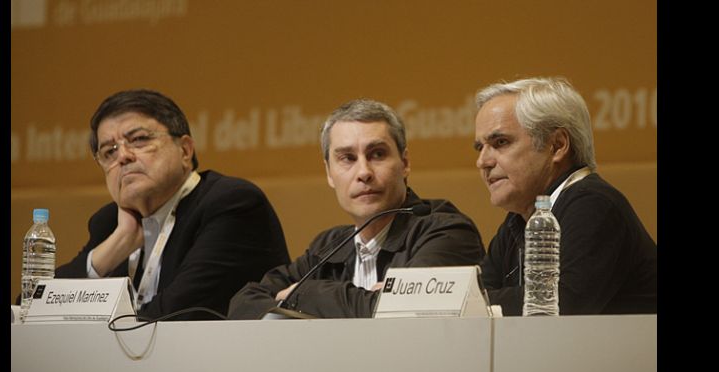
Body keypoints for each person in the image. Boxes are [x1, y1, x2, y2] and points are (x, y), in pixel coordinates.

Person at [228, 98, 484, 319]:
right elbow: (244, 303)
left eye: (377, 154)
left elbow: (403, 314)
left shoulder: (446, 231)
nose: (364, 172)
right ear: (329, 173)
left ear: (405, 163)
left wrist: (303, 294)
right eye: (347, 158)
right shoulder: (329, 246)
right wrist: (363, 301)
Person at [56, 89, 290, 320]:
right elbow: (40, 307)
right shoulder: (111, 223)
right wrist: (117, 245)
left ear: (185, 150)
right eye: (109, 152)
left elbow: (177, 313)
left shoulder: (230, 204)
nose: (123, 157)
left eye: (139, 140)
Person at [472, 77, 657, 315]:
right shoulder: (518, 219)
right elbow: (476, 297)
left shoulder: (593, 205)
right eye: (480, 147)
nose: (482, 162)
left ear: (557, 145)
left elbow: (561, 304)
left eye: (500, 142)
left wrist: (478, 303)